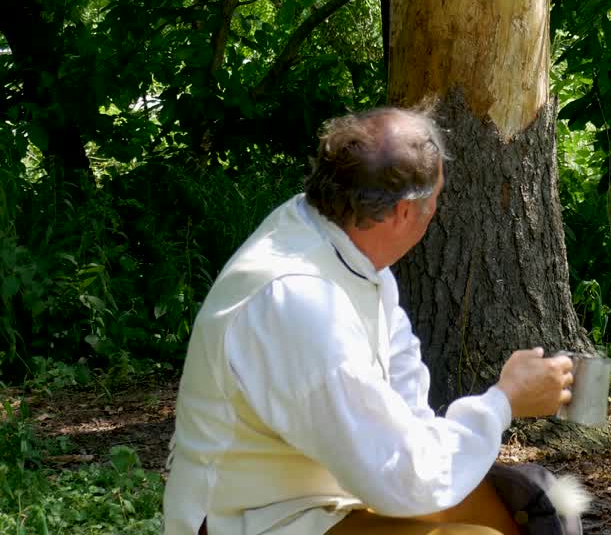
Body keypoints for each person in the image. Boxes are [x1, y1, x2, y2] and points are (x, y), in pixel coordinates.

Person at [163, 105, 578, 535]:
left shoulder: (350, 255)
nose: (437, 209)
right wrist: (503, 402)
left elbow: (408, 418)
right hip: (255, 519)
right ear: (402, 212)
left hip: (334, 494)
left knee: (522, 512)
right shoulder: (302, 304)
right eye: (435, 199)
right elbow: (397, 477)